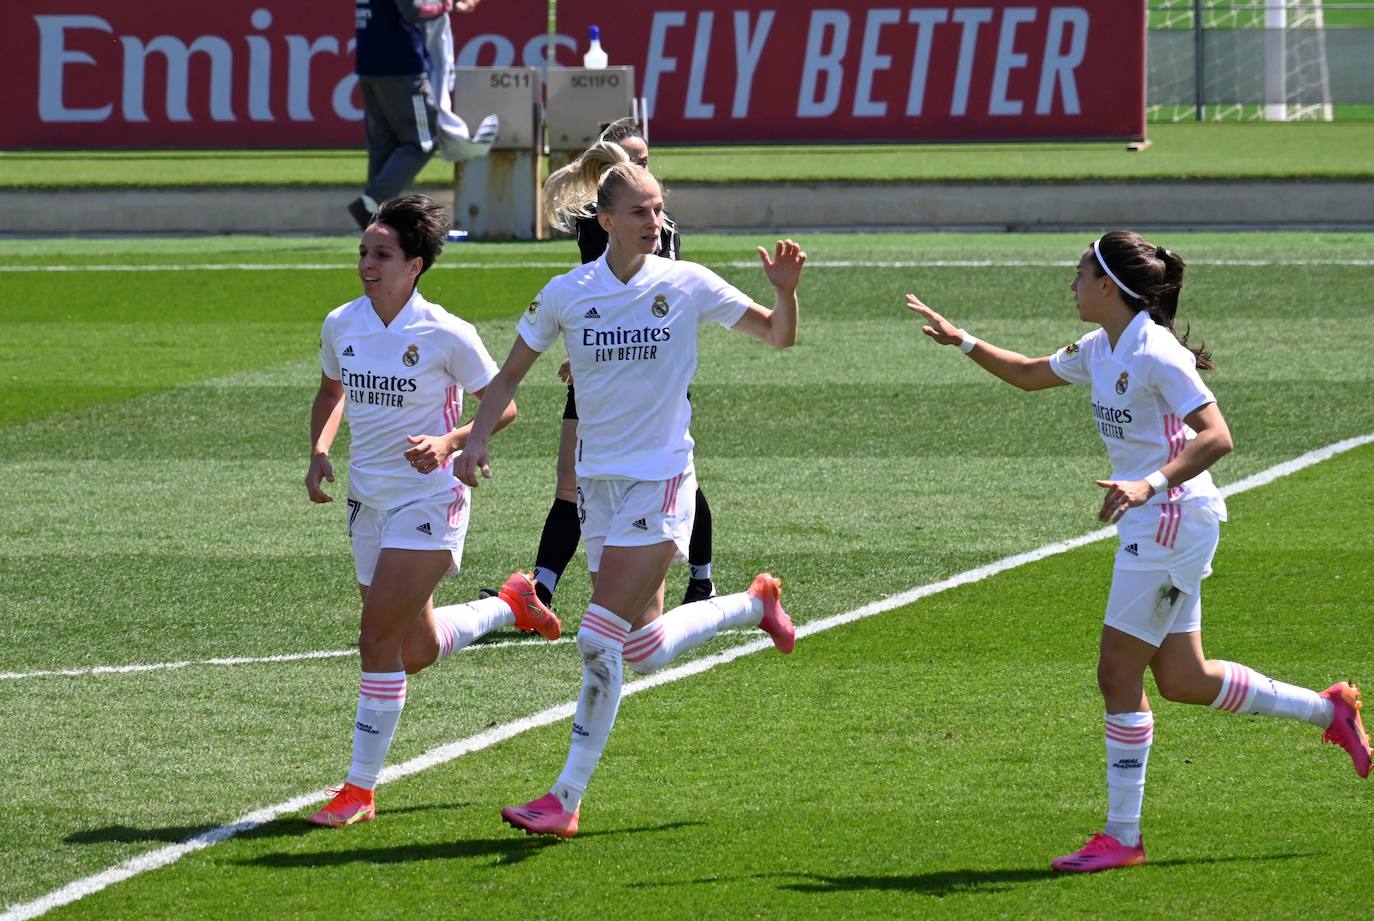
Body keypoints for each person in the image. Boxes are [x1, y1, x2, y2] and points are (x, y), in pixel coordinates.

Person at [905, 229, 1371, 873]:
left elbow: (1218, 435)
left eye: (1078, 273)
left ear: (1107, 286)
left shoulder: (1156, 352)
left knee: (1117, 675)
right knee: (1183, 678)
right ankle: (1330, 710)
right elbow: (1029, 375)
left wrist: (1147, 482)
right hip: (1162, 519)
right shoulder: (1103, 345)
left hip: (1170, 519)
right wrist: (960, 339)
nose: (1070, 284)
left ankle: (1123, 838)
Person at [455, 163, 806, 838]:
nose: (656, 222)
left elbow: (777, 334)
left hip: (663, 479)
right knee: (640, 645)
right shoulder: (565, 292)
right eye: (642, 212)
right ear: (607, 221)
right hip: (599, 486)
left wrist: (786, 295)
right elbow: (506, 378)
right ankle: (756, 603)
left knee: (596, 636)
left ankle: (563, 797)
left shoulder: (686, 282)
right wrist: (474, 442)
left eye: (660, 210)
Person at [304, 194, 561, 828]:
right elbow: (332, 390)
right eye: (363, 252)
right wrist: (318, 450)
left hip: (431, 498)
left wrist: (450, 443)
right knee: (412, 649)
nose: (367, 264)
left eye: (382, 254)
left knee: (376, 639)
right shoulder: (343, 323)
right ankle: (510, 605)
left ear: (414, 264)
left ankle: (358, 790)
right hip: (368, 498)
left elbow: (503, 405)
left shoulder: (446, 332)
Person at [528, 121, 716, 611]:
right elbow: (594, 293)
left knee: (672, 470)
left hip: (649, 369)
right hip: (598, 367)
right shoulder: (596, 223)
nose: (639, 168)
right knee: (570, 479)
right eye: (630, 159)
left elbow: (657, 296)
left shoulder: (659, 226)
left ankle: (702, 577)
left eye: (645, 160)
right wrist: (585, 344)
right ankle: (541, 587)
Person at [347, 0, 485, 231]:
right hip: (402, 68)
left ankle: (376, 219)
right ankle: (370, 202)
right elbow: (414, 10)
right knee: (423, 142)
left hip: (369, 65)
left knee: (385, 144)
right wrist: (448, 5)